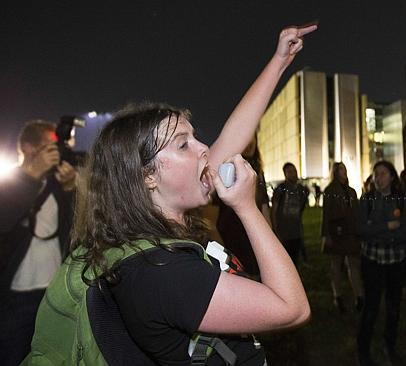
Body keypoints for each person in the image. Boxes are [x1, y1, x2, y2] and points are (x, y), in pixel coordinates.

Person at [24, 24, 315, 365]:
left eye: (195, 137)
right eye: (184, 144)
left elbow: (232, 136)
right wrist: (247, 209)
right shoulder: (160, 271)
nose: (204, 148)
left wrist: (279, 61)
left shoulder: (142, 238)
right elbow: (291, 308)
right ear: (147, 176)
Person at [0, 120, 77, 365]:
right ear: (30, 148)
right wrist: (30, 176)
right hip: (15, 298)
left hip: (52, 292)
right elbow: (5, 222)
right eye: (49, 146)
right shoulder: (10, 181)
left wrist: (70, 188)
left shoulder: (55, 184)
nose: (56, 151)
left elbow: (72, 227)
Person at [357, 161, 406, 366]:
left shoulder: (403, 199)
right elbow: (361, 229)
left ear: (392, 176)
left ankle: (390, 345)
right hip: (372, 260)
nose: (379, 177)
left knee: (393, 306)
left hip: (396, 261)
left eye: (383, 173)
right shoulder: (367, 199)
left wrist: (376, 230)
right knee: (371, 306)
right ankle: (363, 349)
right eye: (376, 174)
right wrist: (388, 227)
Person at [214, 135, 271, 277]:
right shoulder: (225, 170)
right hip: (232, 234)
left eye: (253, 138)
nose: (250, 143)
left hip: (253, 232)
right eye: (247, 137)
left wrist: (269, 236)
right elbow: (213, 215)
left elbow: (263, 205)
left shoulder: (257, 172)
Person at [321, 162, 363, 314]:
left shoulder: (351, 191)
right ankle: (337, 296)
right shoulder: (330, 190)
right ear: (335, 172)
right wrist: (326, 235)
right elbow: (326, 214)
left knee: (354, 265)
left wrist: (359, 231)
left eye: (344, 169)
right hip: (336, 233)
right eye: (340, 169)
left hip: (351, 233)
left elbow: (357, 212)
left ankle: (359, 296)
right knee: (336, 267)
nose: (343, 172)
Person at [272, 162, 309, 265]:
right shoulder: (280, 189)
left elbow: (300, 210)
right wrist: (275, 230)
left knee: (294, 261)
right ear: (285, 174)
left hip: (296, 232)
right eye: (290, 172)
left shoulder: (301, 190)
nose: (294, 174)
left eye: (295, 171)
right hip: (283, 233)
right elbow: (274, 211)